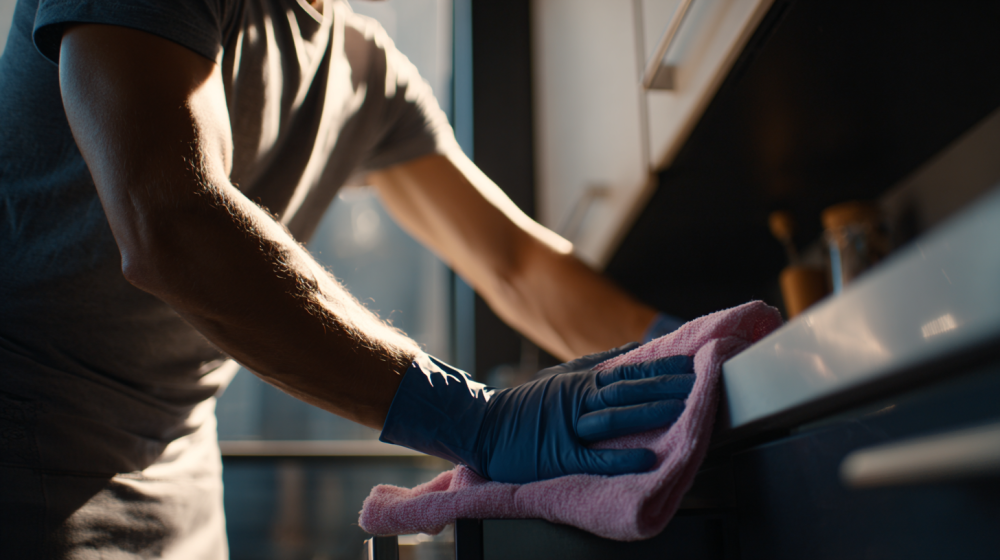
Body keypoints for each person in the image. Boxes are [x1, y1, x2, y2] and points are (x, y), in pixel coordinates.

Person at [0, 0, 690, 556]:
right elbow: (169, 223)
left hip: (180, 454)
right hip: (34, 430)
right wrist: (467, 415)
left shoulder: (363, 69)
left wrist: (695, 352)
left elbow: (515, 264)